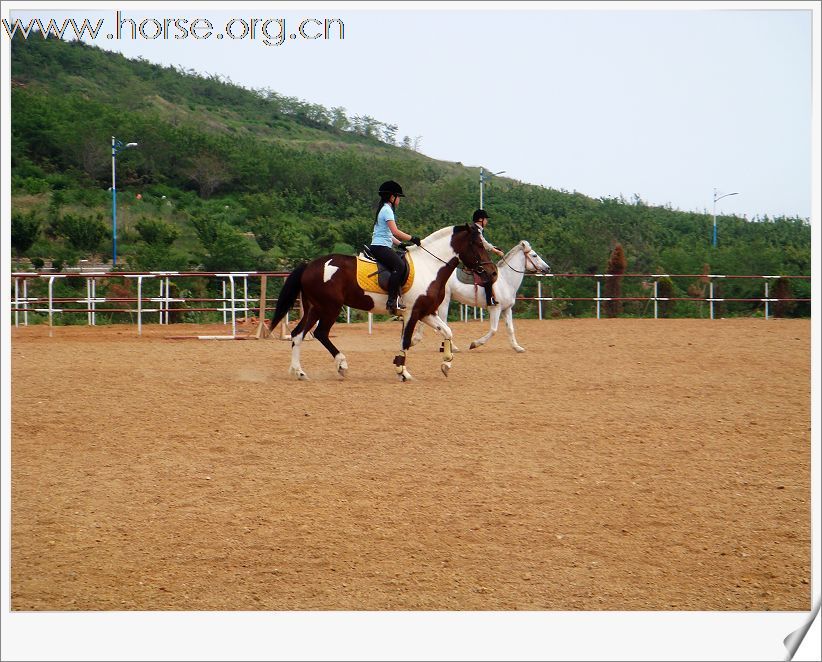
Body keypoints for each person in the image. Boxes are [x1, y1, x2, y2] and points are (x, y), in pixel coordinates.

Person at [369, 180, 421, 314]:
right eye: (398, 197)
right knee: (400, 266)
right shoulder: (387, 210)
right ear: (392, 197)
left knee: (400, 261)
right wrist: (412, 238)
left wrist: (400, 244)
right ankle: (392, 300)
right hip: (380, 247)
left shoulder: (384, 209)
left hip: (380, 245)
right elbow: (395, 231)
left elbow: (387, 234)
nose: (399, 200)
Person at [471, 209, 505, 306]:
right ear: (480, 219)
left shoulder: (477, 229)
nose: (487, 221)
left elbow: (484, 242)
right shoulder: (475, 230)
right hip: (474, 257)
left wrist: (494, 247)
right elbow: (484, 243)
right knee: (488, 273)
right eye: (486, 219)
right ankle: (489, 299)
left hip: (476, 256)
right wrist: (496, 251)